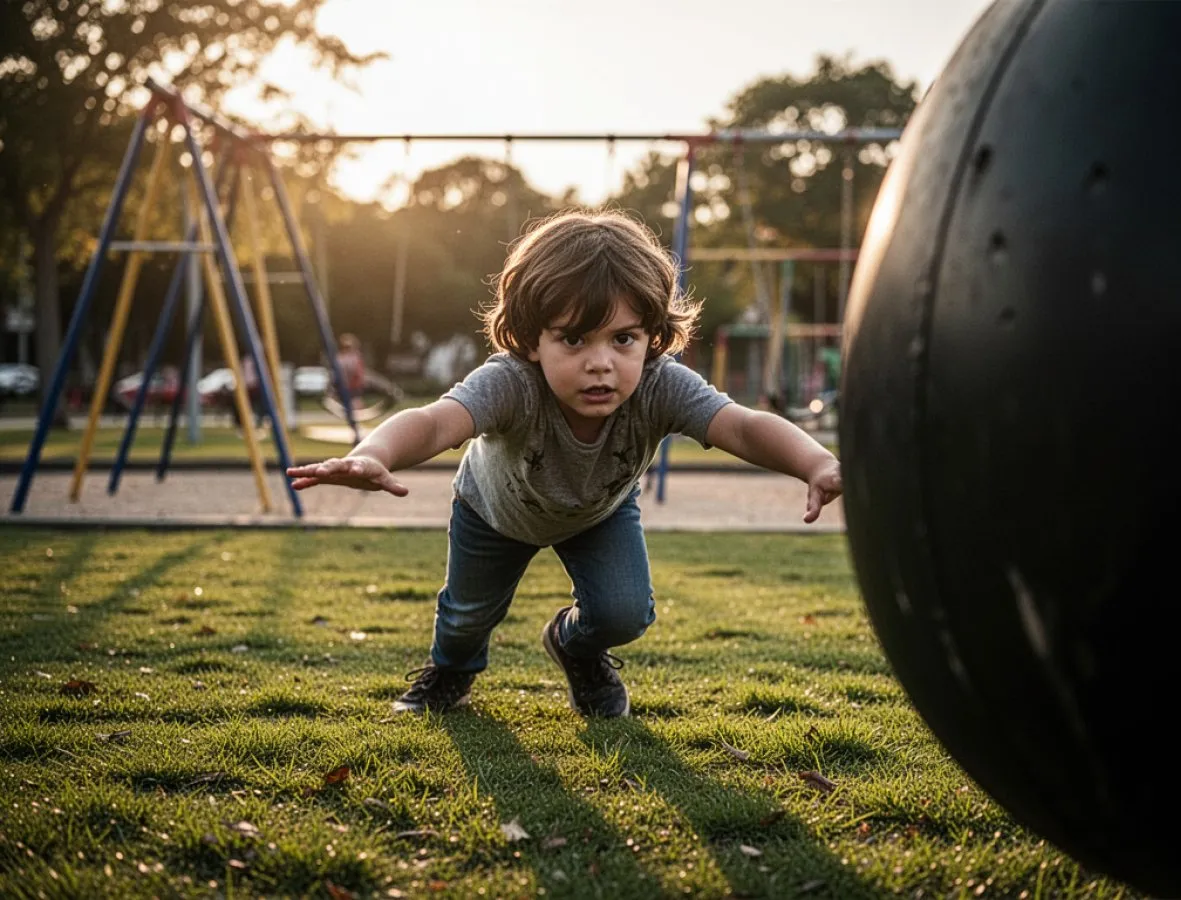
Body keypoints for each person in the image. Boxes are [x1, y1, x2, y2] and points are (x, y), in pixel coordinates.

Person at [286, 209, 843, 718]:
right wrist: (372, 454)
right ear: (532, 340)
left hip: (598, 513)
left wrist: (817, 463)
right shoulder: (510, 383)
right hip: (493, 514)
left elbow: (742, 426)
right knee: (466, 617)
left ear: (652, 337)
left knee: (625, 613)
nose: (601, 363)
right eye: (574, 339)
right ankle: (451, 670)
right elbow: (435, 422)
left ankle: (574, 646)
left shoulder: (661, 385)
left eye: (623, 339)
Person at [335, 333, 366, 410]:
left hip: (354, 384)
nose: (346, 349)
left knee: (355, 401)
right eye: (344, 347)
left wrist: (359, 380)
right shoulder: (340, 357)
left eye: (348, 347)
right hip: (344, 384)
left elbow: (358, 371)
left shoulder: (355, 356)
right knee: (348, 402)